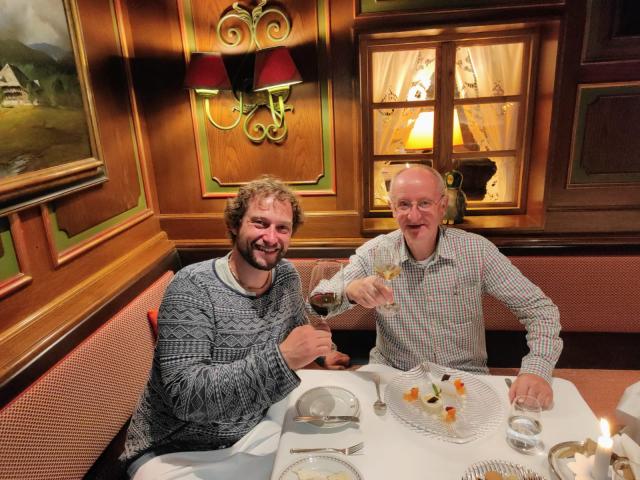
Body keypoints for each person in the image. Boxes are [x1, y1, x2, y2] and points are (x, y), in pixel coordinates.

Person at [120, 176, 349, 478]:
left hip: (256, 427)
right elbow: (186, 398)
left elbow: (296, 329)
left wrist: (322, 354)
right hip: (176, 450)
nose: (271, 237)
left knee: (336, 452)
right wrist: (282, 360)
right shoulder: (192, 287)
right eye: (260, 223)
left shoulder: (286, 277)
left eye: (282, 228)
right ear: (234, 225)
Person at [336, 165, 562, 408]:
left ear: (442, 206)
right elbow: (319, 300)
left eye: (424, 203)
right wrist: (349, 290)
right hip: (394, 376)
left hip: (463, 380)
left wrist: (537, 370)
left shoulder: (477, 251)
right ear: (392, 209)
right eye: (404, 204)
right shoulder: (375, 252)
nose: (413, 215)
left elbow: (540, 310)